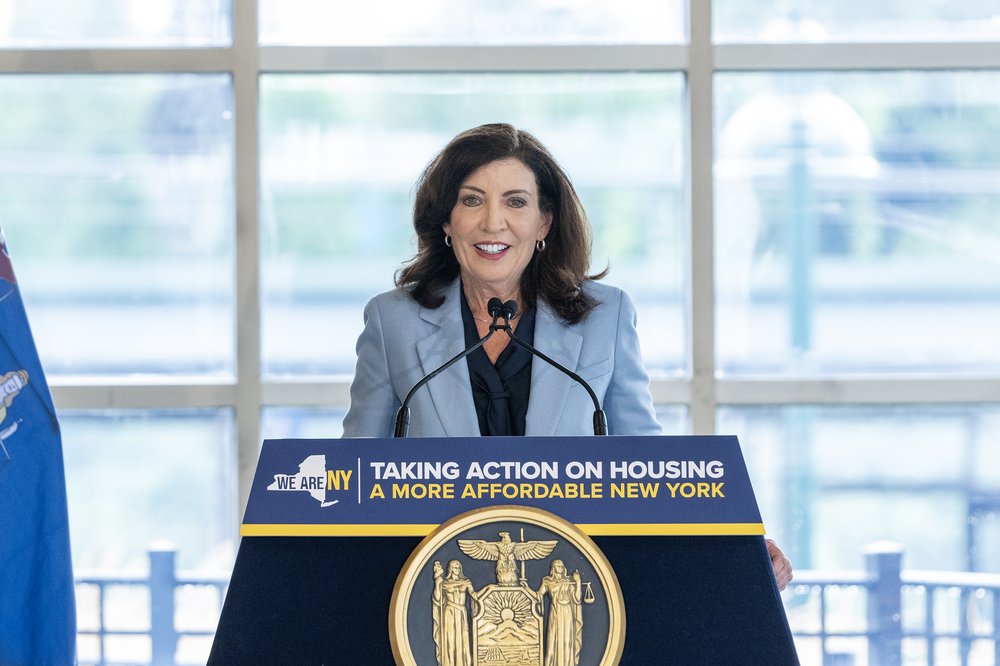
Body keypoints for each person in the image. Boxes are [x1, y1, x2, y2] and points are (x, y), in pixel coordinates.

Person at [341, 122, 793, 591]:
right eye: (472, 200)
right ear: (445, 221)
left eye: (516, 202)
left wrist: (733, 541)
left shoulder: (606, 316)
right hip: (431, 589)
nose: (492, 222)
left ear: (544, 223)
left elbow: (644, 467)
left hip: (575, 590)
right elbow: (352, 473)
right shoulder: (391, 320)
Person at [535, 560, 583, 666]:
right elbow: (538, 595)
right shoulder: (547, 582)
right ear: (553, 568)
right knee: (550, 647)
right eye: (558, 566)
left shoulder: (569, 581)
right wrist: (526, 590)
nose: (560, 568)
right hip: (555, 614)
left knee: (567, 643)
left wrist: (578, 582)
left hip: (568, 614)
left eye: (562, 566)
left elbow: (578, 598)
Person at [432, 560, 474, 666]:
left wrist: (489, 588)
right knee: (450, 640)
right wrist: (437, 582)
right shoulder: (444, 583)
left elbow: (475, 595)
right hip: (449, 612)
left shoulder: (466, 582)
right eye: (455, 568)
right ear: (450, 569)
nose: (457, 570)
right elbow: (437, 599)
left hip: (461, 613)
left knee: (464, 641)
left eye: (458, 567)